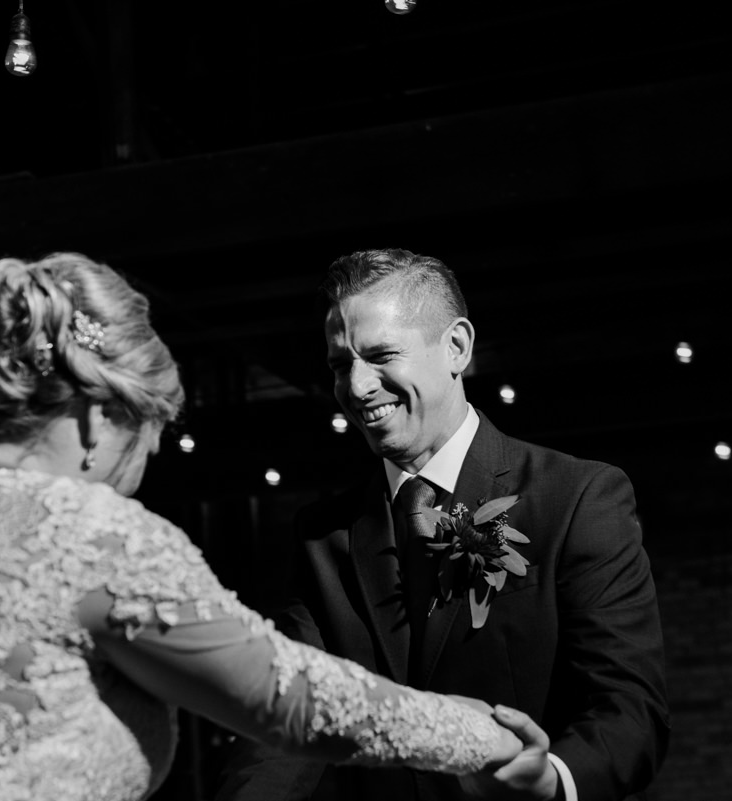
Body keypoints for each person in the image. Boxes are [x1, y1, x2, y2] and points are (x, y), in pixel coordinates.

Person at [0, 252, 523, 801]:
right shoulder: (78, 528)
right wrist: (482, 734)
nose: (136, 476)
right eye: (143, 440)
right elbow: (296, 699)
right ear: (94, 418)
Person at [216, 249, 670, 801]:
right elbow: (288, 720)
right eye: (340, 365)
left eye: (381, 355)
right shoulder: (322, 536)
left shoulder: (577, 498)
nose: (356, 387)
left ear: (456, 347)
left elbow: (629, 709)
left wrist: (551, 778)